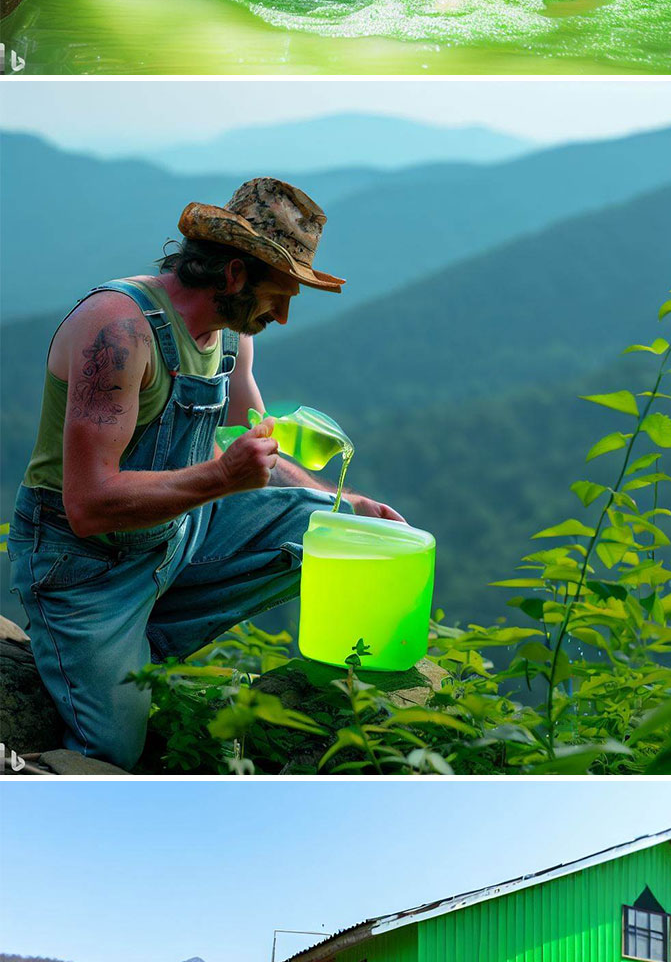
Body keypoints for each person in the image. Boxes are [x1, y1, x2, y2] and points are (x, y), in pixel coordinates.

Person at [8, 176, 401, 770]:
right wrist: (220, 479)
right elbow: (87, 505)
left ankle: (132, 643)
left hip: (178, 535)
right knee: (112, 754)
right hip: (85, 566)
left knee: (334, 531)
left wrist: (348, 504)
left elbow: (256, 449)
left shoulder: (231, 337)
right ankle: (103, 647)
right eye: (280, 293)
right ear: (235, 274)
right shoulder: (118, 330)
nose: (284, 315)